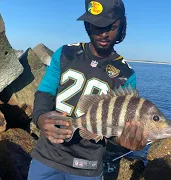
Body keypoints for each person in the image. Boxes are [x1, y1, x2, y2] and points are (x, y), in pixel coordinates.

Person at [28, 0, 148, 179]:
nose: (104, 33)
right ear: (87, 25)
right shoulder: (65, 53)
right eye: (97, 26)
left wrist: (123, 142)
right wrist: (40, 118)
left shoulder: (126, 74)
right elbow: (45, 91)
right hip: (46, 156)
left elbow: (115, 131)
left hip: (87, 166)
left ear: (122, 27)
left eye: (112, 27)